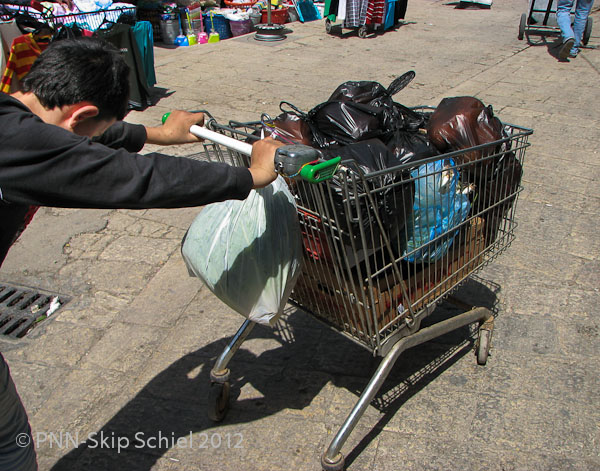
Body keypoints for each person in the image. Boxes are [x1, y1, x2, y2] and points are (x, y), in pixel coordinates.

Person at [0, 37, 282, 470]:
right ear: (82, 114)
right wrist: (250, 175)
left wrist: (156, 134)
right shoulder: (23, 144)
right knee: (10, 445)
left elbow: (67, 137)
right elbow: (138, 179)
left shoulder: (15, 117)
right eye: (91, 132)